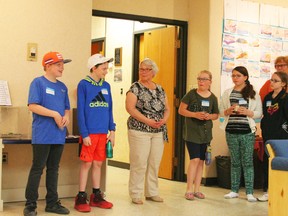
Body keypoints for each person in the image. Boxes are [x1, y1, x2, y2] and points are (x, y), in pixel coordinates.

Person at [24, 52, 71, 216]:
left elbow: (66, 108)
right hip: (42, 135)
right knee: (37, 168)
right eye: (59, 65)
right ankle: (30, 205)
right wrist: (54, 114)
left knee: (54, 169)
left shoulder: (63, 87)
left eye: (63, 65)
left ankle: (52, 202)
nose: (62, 68)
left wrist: (65, 117)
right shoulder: (38, 83)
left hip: (58, 135)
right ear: (48, 65)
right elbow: (32, 106)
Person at [74, 54, 116, 212]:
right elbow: (81, 112)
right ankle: (81, 196)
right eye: (104, 68)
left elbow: (110, 109)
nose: (106, 71)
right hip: (89, 133)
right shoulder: (83, 85)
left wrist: (112, 130)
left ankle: (96, 196)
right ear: (94, 68)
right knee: (87, 163)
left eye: (107, 68)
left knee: (98, 163)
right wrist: (84, 134)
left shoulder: (106, 86)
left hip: (102, 133)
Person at [126, 58, 170, 205]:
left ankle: (152, 192)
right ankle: (136, 193)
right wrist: (147, 121)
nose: (143, 72)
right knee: (139, 162)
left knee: (154, 162)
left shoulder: (160, 88)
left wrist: (164, 120)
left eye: (147, 69)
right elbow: (130, 109)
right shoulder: (135, 88)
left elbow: (167, 109)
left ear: (153, 72)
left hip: (158, 131)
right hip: (139, 130)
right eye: (141, 69)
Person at [219, 66, 262, 202]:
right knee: (235, 162)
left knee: (247, 162)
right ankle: (234, 190)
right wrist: (228, 111)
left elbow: (259, 113)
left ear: (245, 77)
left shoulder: (253, 93)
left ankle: (249, 192)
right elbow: (221, 111)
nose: (235, 78)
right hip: (231, 131)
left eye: (238, 76)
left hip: (247, 132)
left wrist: (248, 112)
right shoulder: (227, 93)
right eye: (233, 76)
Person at [178, 70, 219, 200]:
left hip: (206, 134)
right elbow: (181, 110)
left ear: (210, 82)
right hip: (192, 133)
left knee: (201, 161)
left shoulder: (213, 98)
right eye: (199, 78)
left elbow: (216, 115)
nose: (201, 81)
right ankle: (189, 189)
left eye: (204, 79)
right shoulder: (191, 94)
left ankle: (197, 189)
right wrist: (195, 114)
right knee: (194, 160)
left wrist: (208, 116)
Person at [258, 72, 288, 202]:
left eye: (275, 80)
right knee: (267, 161)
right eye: (271, 80)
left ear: (283, 83)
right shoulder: (267, 97)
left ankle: (281, 190)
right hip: (268, 134)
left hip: (281, 135)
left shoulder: (285, 98)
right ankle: (267, 190)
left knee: (279, 161)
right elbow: (265, 114)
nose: (272, 82)